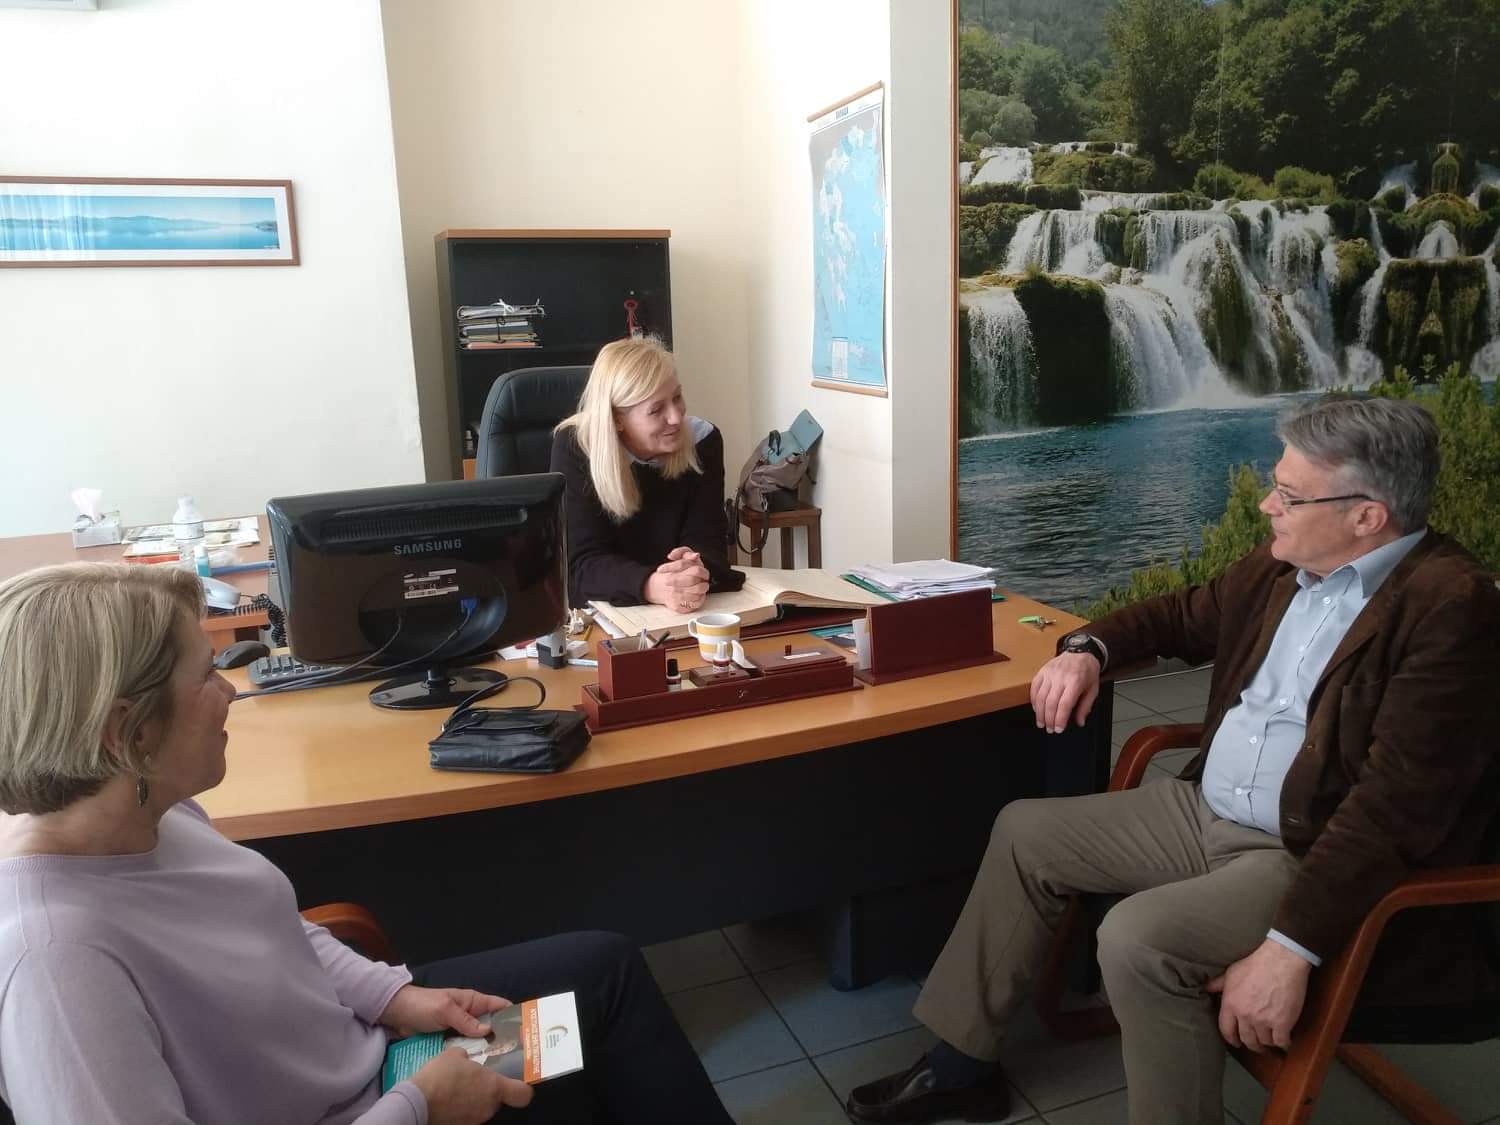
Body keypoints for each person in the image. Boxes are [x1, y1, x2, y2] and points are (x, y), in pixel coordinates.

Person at [848, 396, 1500, 1124]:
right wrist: (1087, 649)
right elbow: (1176, 615)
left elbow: (1395, 807)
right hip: (1202, 810)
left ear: (1367, 516)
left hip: (1303, 848)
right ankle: (962, 1066)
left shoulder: (1451, 607)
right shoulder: (1283, 566)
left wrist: (1289, 948)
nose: (1267, 505)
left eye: (1288, 495)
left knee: (1138, 938)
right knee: (1025, 831)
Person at [0, 562, 733, 1125]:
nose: (230, 692)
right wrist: (419, 1105)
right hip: (380, 1107)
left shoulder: (148, 812)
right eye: (204, 677)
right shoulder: (58, 964)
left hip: (373, 1061)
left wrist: (394, 995)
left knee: (604, 970)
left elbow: (273, 931)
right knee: (595, 1045)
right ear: (126, 733)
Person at [550, 337, 744, 612]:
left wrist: (695, 565)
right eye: (656, 410)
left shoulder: (703, 441)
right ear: (617, 419)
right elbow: (581, 564)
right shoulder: (577, 446)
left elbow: (709, 542)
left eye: (677, 397)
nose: (676, 417)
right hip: (607, 613)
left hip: (682, 608)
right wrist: (651, 585)